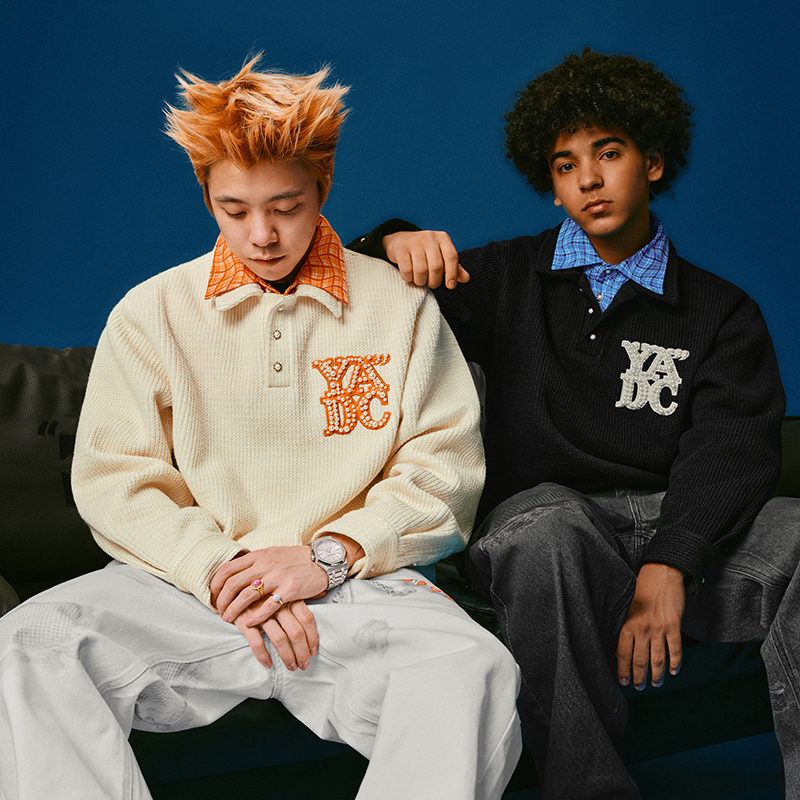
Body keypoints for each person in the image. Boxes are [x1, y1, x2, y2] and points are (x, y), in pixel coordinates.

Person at [0, 57, 523, 800]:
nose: (263, 234)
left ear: (324, 186)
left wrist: (329, 557)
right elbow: (118, 479)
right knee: (29, 643)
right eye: (234, 209)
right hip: (193, 587)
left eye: (286, 206)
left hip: (358, 585)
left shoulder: (400, 305)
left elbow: (443, 471)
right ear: (206, 196)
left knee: (475, 668)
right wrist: (224, 572)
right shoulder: (150, 312)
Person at [348, 48, 799, 800]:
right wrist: (388, 240)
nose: (588, 179)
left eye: (608, 154)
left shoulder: (722, 311)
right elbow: (358, 299)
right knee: (546, 529)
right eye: (565, 165)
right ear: (552, 186)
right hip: (547, 529)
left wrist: (670, 563)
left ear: (653, 162)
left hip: (678, 525)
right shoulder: (504, 277)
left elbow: (731, 449)